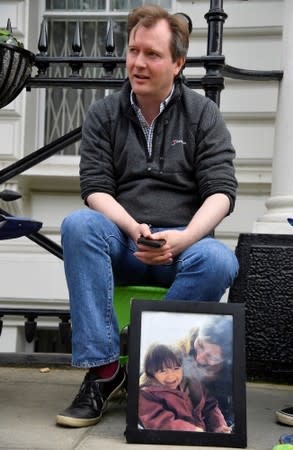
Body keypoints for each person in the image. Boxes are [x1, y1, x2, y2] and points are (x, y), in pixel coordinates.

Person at [56, 4, 239, 428]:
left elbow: (222, 194)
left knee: (220, 260)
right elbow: (95, 189)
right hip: (124, 240)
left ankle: (141, 360)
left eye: (152, 54)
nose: (138, 63)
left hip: (183, 252)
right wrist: (132, 228)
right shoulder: (104, 113)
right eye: (133, 51)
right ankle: (104, 371)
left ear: (177, 63)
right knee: (78, 225)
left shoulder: (203, 115)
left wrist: (185, 238)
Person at [139, 343, 231, 433]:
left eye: (176, 368)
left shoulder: (193, 384)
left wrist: (218, 425)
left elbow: (210, 406)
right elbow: (160, 421)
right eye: (162, 371)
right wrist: (191, 430)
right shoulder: (147, 394)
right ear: (151, 372)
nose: (171, 376)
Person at [178, 317, 234, 427]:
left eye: (211, 357)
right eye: (200, 345)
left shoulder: (229, 373)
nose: (199, 358)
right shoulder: (181, 346)